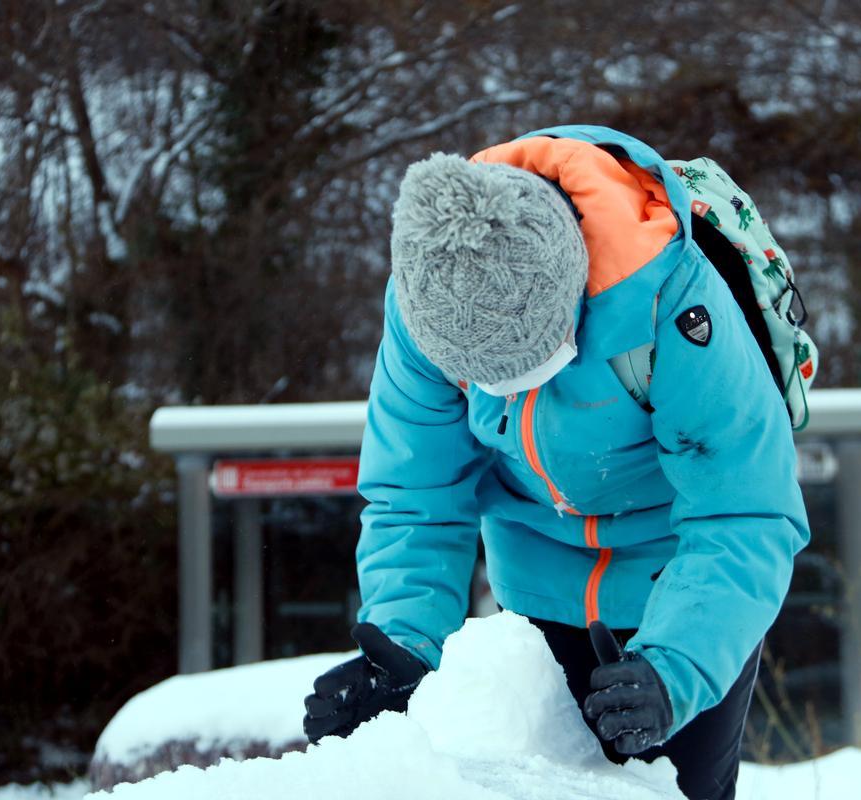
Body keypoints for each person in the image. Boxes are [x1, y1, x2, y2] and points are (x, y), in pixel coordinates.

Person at [302, 125, 810, 800]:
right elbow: (416, 495)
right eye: (491, 384)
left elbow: (744, 509)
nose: (514, 399)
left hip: (685, 580)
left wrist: (672, 671)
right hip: (536, 584)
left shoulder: (676, 305)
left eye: (536, 371)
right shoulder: (428, 308)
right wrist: (404, 646)